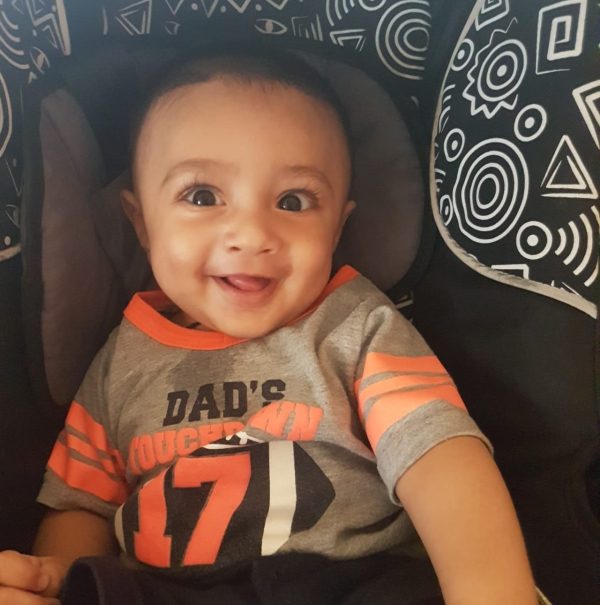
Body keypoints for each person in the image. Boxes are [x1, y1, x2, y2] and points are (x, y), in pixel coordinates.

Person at [0, 49, 540, 605]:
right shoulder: (119, 363)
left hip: (349, 579)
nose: (253, 234)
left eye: (293, 201)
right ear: (141, 223)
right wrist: (56, 578)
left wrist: (488, 589)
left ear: (337, 229)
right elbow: (81, 505)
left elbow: (438, 457)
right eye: (202, 196)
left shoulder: (356, 325)